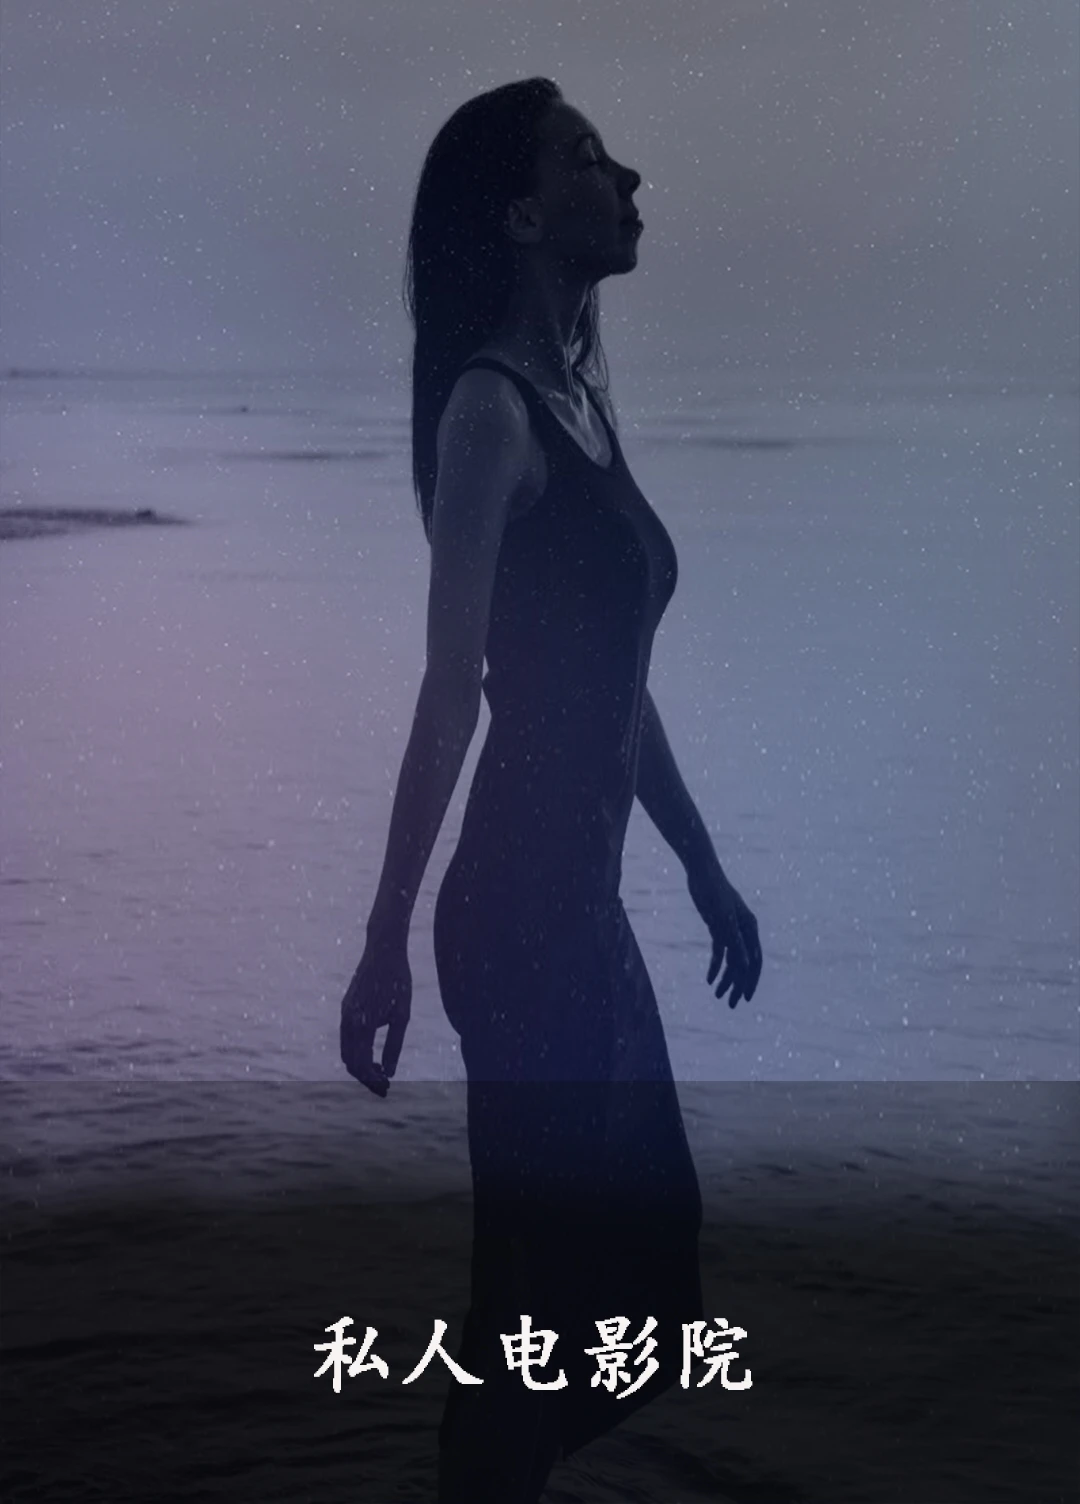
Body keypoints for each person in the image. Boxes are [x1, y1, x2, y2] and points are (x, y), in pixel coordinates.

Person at [340, 77, 763, 1502]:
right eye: (588, 159)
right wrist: (384, 940)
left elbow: (613, 687)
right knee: (538, 1302)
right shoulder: (491, 414)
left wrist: (701, 864)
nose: (627, 179)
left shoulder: (581, 400)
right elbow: (452, 691)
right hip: (520, 920)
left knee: (646, 1290)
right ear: (521, 216)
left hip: (584, 914)